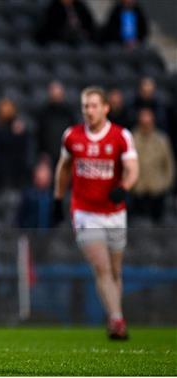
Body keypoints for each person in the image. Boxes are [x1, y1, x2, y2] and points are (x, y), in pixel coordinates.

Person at [53, 87, 139, 340]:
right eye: (85, 106)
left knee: (115, 270)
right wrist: (58, 198)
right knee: (101, 267)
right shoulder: (72, 136)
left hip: (114, 212)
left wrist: (124, 188)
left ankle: (115, 314)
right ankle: (117, 320)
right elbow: (64, 168)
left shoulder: (120, 136)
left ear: (105, 108)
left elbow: (132, 168)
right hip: (84, 212)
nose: (89, 111)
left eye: (93, 106)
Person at [131, 108, 175, 223]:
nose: (146, 123)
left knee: (158, 224)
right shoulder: (132, 138)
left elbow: (169, 164)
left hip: (157, 189)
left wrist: (166, 183)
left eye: (148, 120)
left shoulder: (162, 139)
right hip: (138, 190)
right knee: (139, 225)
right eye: (143, 120)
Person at [0, 98, 31, 189]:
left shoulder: (19, 127)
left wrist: (19, 134)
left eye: (8, 108)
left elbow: (24, 148)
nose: (6, 111)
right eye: (4, 108)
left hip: (17, 170)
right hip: (1, 171)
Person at [36, 81, 76, 165]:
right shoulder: (43, 113)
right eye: (54, 93)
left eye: (58, 93)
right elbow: (38, 135)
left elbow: (74, 133)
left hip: (66, 155)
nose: (56, 96)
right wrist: (41, 156)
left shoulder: (69, 113)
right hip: (47, 158)